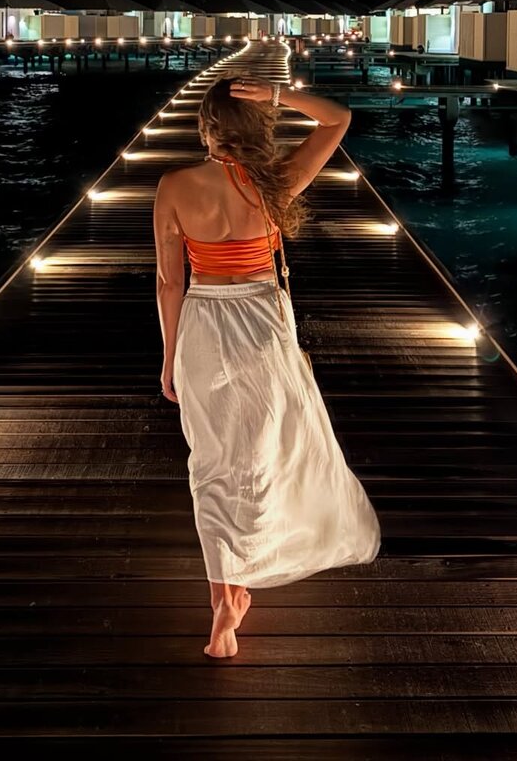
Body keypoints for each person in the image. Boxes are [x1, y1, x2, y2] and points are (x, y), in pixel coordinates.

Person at [153, 70, 381, 659]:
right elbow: (338, 118)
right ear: (255, 125)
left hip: (204, 325)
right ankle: (245, 572)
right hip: (262, 326)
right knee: (262, 454)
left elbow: (169, 282)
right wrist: (279, 94)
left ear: (206, 128)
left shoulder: (174, 185)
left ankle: (224, 597)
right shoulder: (274, 181)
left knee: (212, 464)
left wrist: (170, 356)